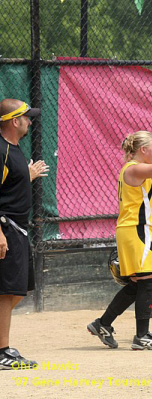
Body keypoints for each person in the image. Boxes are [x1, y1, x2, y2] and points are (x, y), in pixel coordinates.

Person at [87, 128, 152, 350]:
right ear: (143, 150)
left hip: (135, 229)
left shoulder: (134, 169)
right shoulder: (135, 169)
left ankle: (102, 323)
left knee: (137, 284)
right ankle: (142, 336)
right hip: (136, 229)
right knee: (147, 280)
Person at [0, 99, 47, 369]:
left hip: (18, 228)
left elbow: (8, 185)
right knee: (6, 294)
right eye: (26, 117)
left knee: (16, 292)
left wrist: (25, 176)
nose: (30, 121)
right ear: (13, 121)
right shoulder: (1, 150)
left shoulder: (14, 149)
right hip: (6, 227)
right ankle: (2, 351)